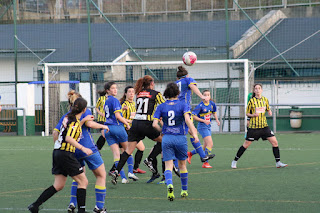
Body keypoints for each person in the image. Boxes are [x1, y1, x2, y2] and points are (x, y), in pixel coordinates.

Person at [28, 97, 92, 213]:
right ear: (84, 110)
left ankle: (35, 205)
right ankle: (81, 211)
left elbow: (58, 133)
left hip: (57, 152)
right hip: (66, 154)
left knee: (58, 185)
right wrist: (83, 148)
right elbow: (68, 138)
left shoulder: (67, 118)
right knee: (83, 181)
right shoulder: (75, 122)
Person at [53, 91, 109, 213]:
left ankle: (72, 203)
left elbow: (55, 132)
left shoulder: (66, 116)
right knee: (101, 175)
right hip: (88, 148)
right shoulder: (84, 111)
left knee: (78, 178)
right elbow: (89, 123)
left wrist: (58, 146)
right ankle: (99, 207)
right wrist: (102, 126)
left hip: (72, 150)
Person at [110, 75, 165, 185]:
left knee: (128, 151)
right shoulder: (156, 94)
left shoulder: (139, 93)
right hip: (147, 124)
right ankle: (150, 159)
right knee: (164, 142)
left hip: (135, 124)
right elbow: (164, 106)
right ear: (152, 83)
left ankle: (116, 172)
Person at [152, 82, 199, 201]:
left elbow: (154, 124)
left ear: (166, 93)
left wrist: (163, 130)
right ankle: (184, 190)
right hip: (180, 138)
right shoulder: (183, 104)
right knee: (182, 165)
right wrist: (194, 134)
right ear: (178, 92)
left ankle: (169, 185)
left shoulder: (161, 106)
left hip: (167, 138)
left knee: (168, 165)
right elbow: (188, 121)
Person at [231, 83, 288, 169]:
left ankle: (278, 162)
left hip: (264, 126)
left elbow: (268, 108)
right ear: (254, 91)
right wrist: (253, 115)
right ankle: (234, 161)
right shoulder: (252, 101)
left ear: (261, 90)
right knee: (246, 145)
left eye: (259, 88)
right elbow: (247, 113)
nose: (257, 90)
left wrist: (269, 111)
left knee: (275, 142)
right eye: (256, 89)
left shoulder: (265, 100)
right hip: (254, 127)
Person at [175, 66, 214, 163]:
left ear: (177, 78)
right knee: (193, 132)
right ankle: (201, 156)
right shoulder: (188, 79)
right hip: (184, 110)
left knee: (181, 133)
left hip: (174, 109)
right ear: (187, 75)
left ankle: (201, 156)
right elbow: (193, 86)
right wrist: (202, 96)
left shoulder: (174, 84)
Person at [102, 82, 139, 184]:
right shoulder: (115, 100)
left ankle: (123, 178)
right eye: (113, 88)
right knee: (128, 150)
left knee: (116, 155)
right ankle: (130, 172)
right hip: (117, 127)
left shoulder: (107, 101)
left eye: (116, 88)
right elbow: (118, 117)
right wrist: (126, 123)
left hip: (107, 129)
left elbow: (110, 115)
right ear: (107, 90)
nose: (115, 90)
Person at [189, 90, 220, 168]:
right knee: (210, 144)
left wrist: (217, 120)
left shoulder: (212, 104)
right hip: (202, 127)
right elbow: (193, 116)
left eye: (208, 95)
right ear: (202, 96)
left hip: (208, 126)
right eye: (205, 95)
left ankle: (190, 154)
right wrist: (203, 120)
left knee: (203, 147)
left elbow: (214, 112)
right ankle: (205, 163)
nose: (207, 96)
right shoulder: (200, 106)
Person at [120, 86, 146, 174]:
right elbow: (120, 117)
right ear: (125, 94)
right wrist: (129, 121)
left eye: (133, 92)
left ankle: (135, 168)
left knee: (139, 149)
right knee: (126, 151)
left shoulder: (134, 104)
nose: (131, 93)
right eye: (129, 92)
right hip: (125, 129)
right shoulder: (124, 105)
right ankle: (115, 170)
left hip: (133, 129)